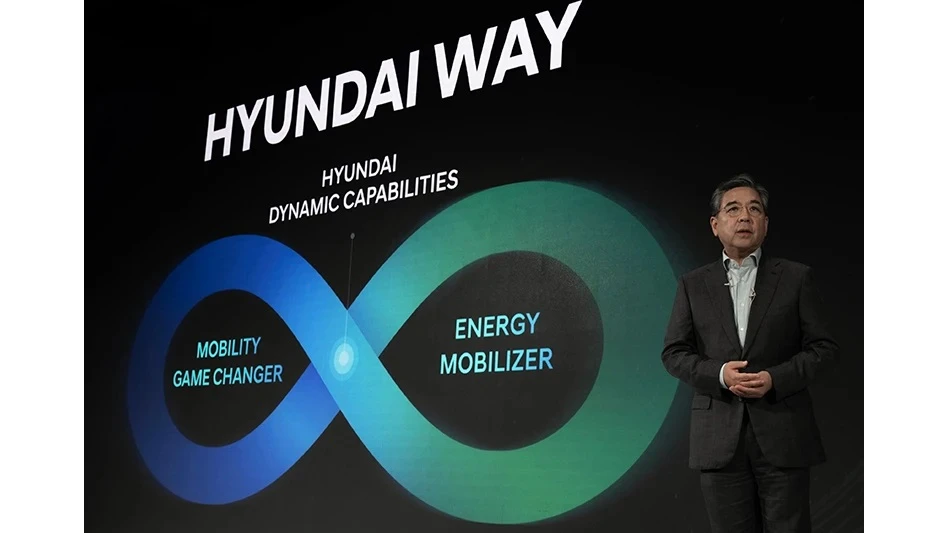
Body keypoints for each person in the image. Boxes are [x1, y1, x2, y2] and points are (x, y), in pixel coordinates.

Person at [661, 174, 839, 533]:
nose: (745, 216)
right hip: (719, 439)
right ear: (715, 225)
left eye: (754, 209)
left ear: (765, 224)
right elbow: (674, 352)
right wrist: (719, 374)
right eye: (733, 209)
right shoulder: (693, 284)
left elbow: (824, 348)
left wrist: (775, 378)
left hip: (783, 433)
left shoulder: (795, 277)